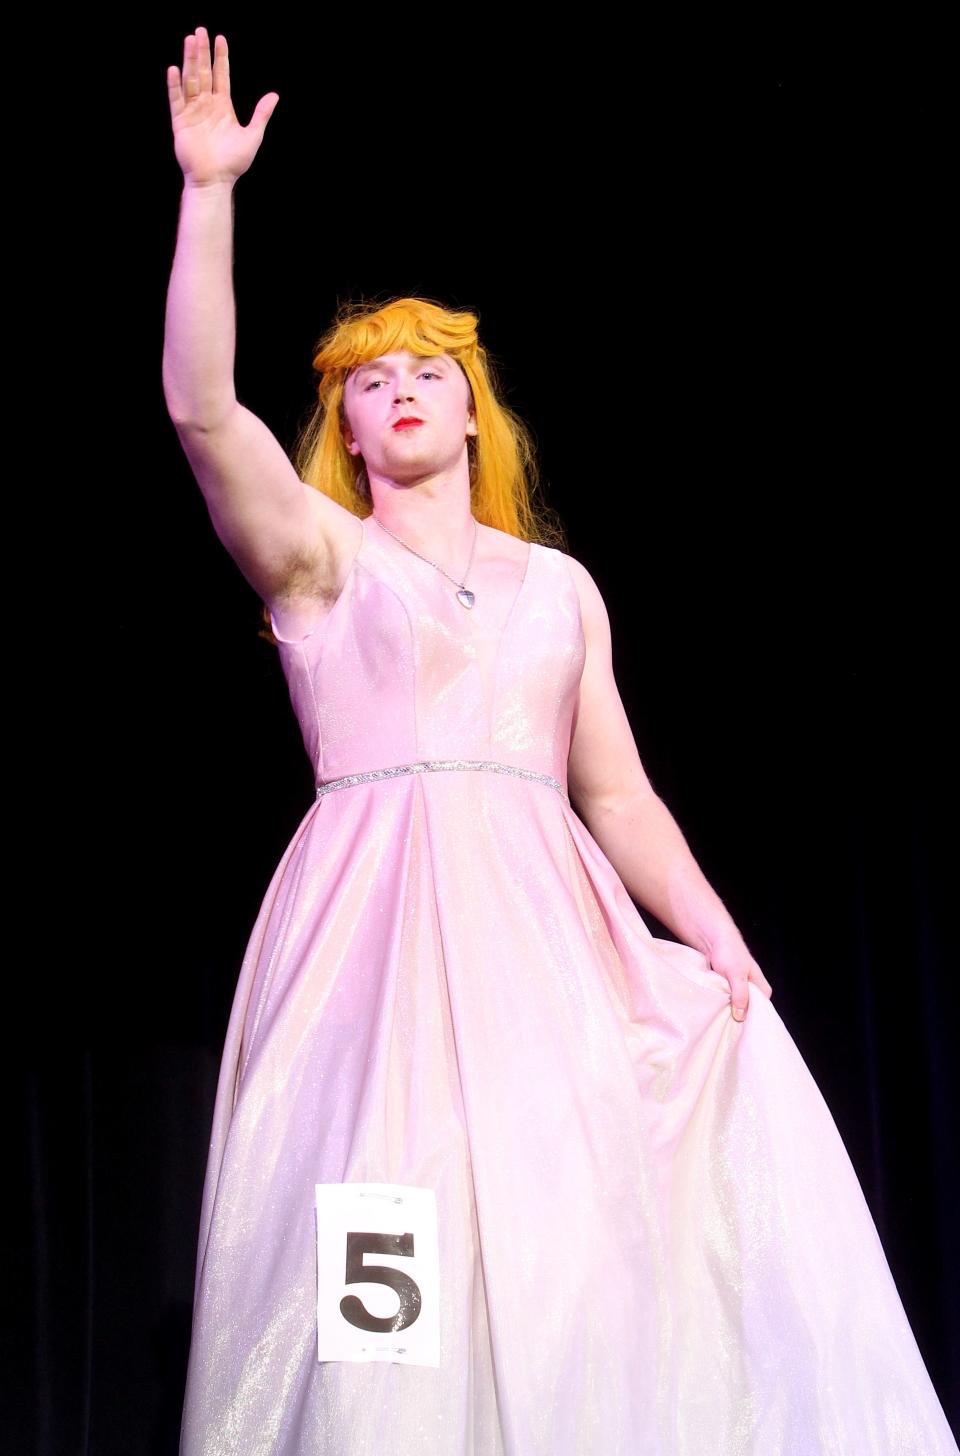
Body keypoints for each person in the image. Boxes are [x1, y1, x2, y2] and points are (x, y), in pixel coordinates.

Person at [164, 27, 959, 1456]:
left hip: (547, 939)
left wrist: (716, 935)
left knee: (563, 1245)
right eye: (366, 377)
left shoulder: (560, 590)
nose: (397, 389)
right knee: (385, 1250)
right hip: (377, 940)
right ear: (341, 421)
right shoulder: (322, 560)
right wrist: (209, 192)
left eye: (426, 370)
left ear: (475, 408)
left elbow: (619, 793)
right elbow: (198, 407)